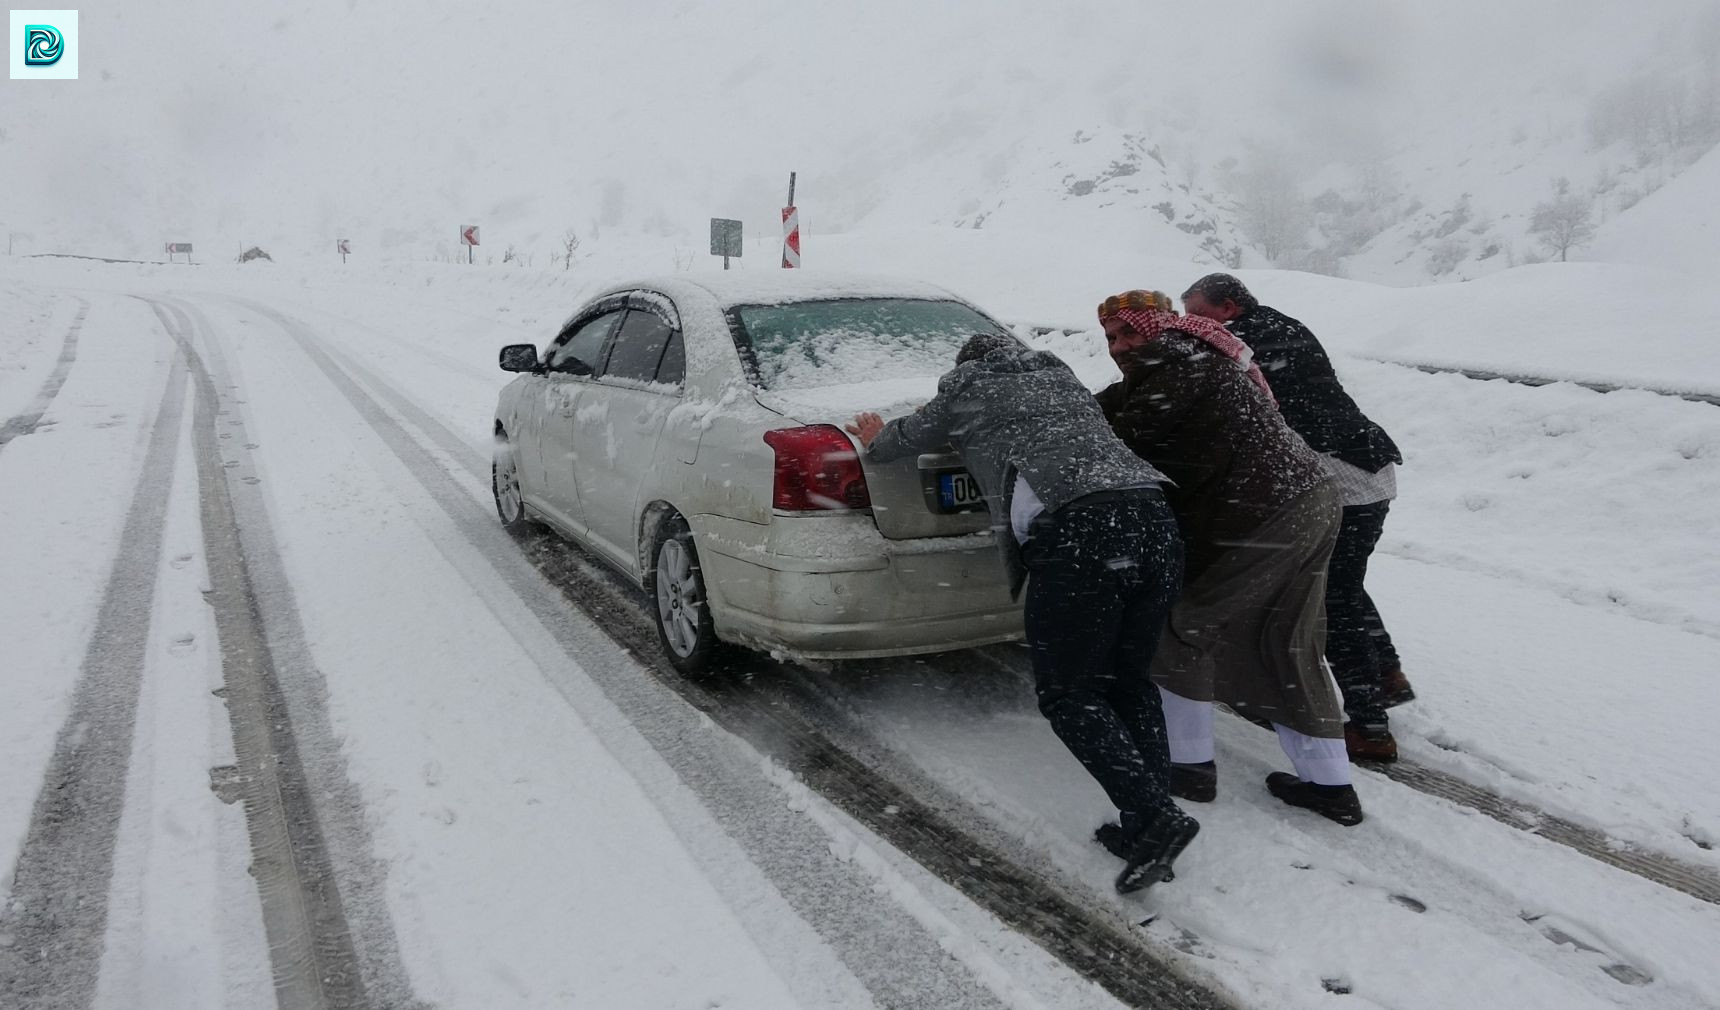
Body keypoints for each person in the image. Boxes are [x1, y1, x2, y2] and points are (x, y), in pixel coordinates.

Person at [847, 333, 1197, 892]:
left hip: (1081, 531)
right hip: (1153, 517)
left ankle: (1155, 816)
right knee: (1130, 683)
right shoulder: (1062, 380)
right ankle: (1144, 823)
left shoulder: (967, 386)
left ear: (963, 366)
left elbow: (897, 443)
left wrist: (877, 433)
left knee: (1069, 693)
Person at [1094, 290, 1364, 826]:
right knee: (1287, 640)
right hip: (1307, 498)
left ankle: (1188, 767)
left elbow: (1119, 440)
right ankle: (1330, 786)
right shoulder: (1187, 362)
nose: (1120, 346)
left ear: (1159, 326)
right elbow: (1106, 407)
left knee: (1181, 627)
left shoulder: (1176, 369)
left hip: (1266, 513)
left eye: (1129, 332)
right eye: (1110, 338)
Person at [1181, 273, 1412, 763]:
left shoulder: (1244, 341)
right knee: (1345, 581)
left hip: (1338, 470)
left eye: (1197, 313)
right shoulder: (1281, 326)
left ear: (1226, 307)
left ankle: (1371, 727)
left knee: (1332, 597)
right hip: (1368, 461)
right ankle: (1387, 673)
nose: (1190, 324)